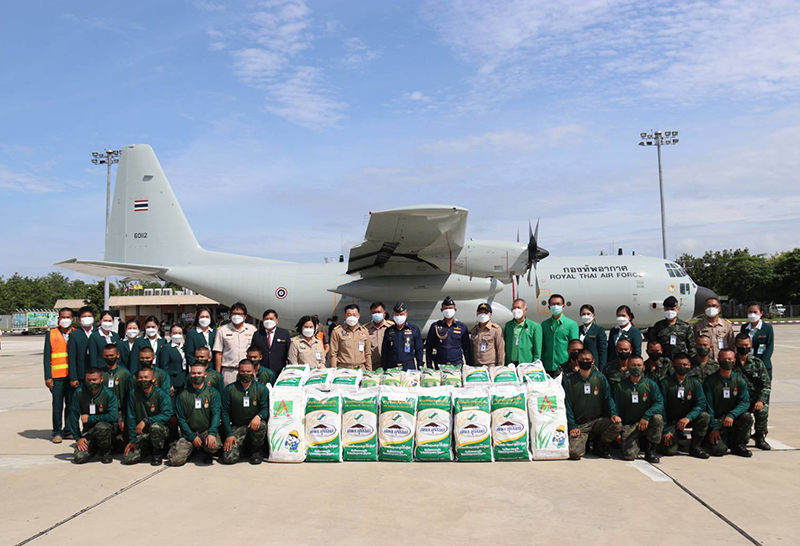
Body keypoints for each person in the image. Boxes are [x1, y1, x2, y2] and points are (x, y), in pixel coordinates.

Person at [564, 349, 622, 460]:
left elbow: (608, 398)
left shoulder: (600, 378)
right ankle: (585, 442)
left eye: (587, 360)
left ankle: (599, 443)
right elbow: (568, 405)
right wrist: (572, 426)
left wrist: (613, 414)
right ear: (577, 361)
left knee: (616, 425)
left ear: (593, 361)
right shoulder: (569, 381)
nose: (585, 361)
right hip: (580, 424)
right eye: (582, 360)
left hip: (597, 421)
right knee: (574, 453)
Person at [613, 356, 664, 463]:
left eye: (639, 365)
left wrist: (646, 416)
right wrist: (617, 431)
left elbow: (659, 403)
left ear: (644, 367)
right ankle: (638, 443)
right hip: (629, 425)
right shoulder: (620, 387)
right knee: (629, 456)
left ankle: (651, 450)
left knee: (658, 418)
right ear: (627, 367)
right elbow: (615, 408)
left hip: (646, 421)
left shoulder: (650, 384)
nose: (636, 368)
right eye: (633, 365)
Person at [168, 362, 222, 466]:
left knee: (214, 445)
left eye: (199, 373)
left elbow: (216, 414)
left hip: (206, 431)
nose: (196, 376)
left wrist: (212, 433)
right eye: (193, 373)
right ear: (189, 375)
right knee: (175, 460)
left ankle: (206, 452)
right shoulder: (183, 395)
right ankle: (190, 449)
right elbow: (181, 419)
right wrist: (191, 436)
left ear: (205, 375)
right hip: (189, 433)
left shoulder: (213, 393)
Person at [659, 352, 710, 459]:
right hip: (672, 421)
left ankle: (696, 446)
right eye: (678, 364)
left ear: (690, 365)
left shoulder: (695, 383)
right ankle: (674, 439)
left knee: (705, 416)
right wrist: (665, 430)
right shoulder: (665, 383)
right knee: (669, 451)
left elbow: (701, 404)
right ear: (673, 366)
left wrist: (688, 418)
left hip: (688, 418)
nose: (682, 367)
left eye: (685, 364)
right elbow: (660, 407)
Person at [704, 349, 753, 457]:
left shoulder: (739, 380)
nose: (727, 361)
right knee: (719, 451)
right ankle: (714, 441)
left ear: (734, 360)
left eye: (730, 359)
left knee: (746, 417)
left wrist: (732, 415)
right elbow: (709, 406)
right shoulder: (711, 381)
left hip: (731, 419)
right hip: (716, 420)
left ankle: (737, 445)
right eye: (724, 359)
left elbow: (745, 402)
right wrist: (714, 427)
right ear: (718, 360)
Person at [221, 359, 269, 465]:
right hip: (237, 426)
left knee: (261, 425)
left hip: (253, 425)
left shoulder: (261, 389)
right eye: (242, 371)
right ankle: (243, 448)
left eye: (248, 371)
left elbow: (265, 409)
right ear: (238, 372)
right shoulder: (229, 389)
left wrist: (259, 416)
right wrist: (229, 434)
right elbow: (224, 413)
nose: (245, 374)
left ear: (254, 372)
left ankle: (255, 451)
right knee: (229, 458)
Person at [122, 367, 173, 466]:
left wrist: (146, 421)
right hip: (142, 434)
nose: (143, 380)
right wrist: (132, 440)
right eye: (140, 378)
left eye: (146, 377)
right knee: (129, 459)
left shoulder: (161, 394)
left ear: (153, 379)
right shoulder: (133, 394)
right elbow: (131, 416)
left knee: (155, 427)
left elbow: (167, 415)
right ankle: (146, 449)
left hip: (160, 432)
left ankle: (157, 453)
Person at [68, 367, 118, 464]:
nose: (92, 383)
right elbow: (73, 415)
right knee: (79, 458)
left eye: (94, 380)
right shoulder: (79, 393)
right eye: (89, 380)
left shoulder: (109, 394)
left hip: (107, 430)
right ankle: (93, 448)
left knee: (101, 427)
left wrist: (90, 418)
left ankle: (106, 451)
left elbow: (113, 416)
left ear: (101, 379)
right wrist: (77, 438)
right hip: (90, 432)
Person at [733, 332, 771, 450]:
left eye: (746, 345)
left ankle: (760, 437)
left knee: (762, 410)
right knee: (743, 437)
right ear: (736, 345)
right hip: (738, 401)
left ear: (750, 345)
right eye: (741, 345)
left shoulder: (757, 363)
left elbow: (766, 385)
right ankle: (743, 436)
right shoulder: (731, 362)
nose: (744, 348)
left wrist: (761, 400)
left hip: (754, 399)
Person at [44, 307, 75, 443]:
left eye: (68, 317)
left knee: (71, 405)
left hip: (72, 376)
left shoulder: (76, 333)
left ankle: (68, 431)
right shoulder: (51, 334)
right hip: (57, 377)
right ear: (58, 319)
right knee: (57, 405)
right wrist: (48, 376)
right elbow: (46, 357)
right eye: (63, 317)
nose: (65, 320)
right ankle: (57, 432)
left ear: (73, 319)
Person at [213, 302, 257, 385]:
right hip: (229, 371)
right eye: (234, 313)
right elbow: (218, 353)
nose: (237, 316)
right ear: (230, 315)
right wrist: (218, 374)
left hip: (248, 370)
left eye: (240, 314)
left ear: (245, 316)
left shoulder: (252, 329)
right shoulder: (222, 330)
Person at [426, 296, 472, 368]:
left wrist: (469, 366)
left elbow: (466, 348)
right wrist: (429, 365)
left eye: (450, 308)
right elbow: (429, 347)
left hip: (457, 365)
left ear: (455, 309)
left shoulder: (461, 327)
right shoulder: (435, 326)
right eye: (446, 308)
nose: (448, 310)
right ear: (441, 310)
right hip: (440, 364)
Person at [101, 343, 130, 450]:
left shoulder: (124, 373)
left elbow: (128, 397)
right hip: (104, 411)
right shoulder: (100, 374)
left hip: (120, 411)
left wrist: (124, 418)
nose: (109, 358)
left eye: (112, 355)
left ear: (118, 355)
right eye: (107, 356)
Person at [540, 294, 579, 376]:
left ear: (563, 306)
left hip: (565, 367)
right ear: (549, 307)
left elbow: (575, 348)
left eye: (558, 304)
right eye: (553, 304)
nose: (556, 306)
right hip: (548, 366)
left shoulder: (571, 324)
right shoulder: (544, 324)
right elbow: (542, 346)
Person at [647, 296, 696, 360]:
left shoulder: (685, 326)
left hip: (680, 362)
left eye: (672, 309)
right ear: (664, 309)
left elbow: (692, 346)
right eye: (667, 309)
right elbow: (653, 345)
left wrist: (690, 361)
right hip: (664, 363)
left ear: (678, 309)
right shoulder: (658, 326)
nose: (670, 311)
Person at [381, 302, 424, 370]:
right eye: (397, 315)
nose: (399, 317)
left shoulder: (414, 330)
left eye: (401, 314)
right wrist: (384, 368)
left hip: (408, 367)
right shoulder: (389, 331)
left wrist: (420, 366)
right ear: (393, 315)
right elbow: (385, 351)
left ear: (406, 315)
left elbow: (419, 350)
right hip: (392, 367)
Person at [250, 309, 291, 378]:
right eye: (266, 319)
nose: (269, 321)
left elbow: (288, 352)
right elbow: (253, 351)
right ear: (263, 321)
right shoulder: (257, 334)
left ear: (277, 321)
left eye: (271, 319)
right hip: (262, 372)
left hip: (279, 371)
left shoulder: (284, 333)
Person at [330, 304, 373, 370]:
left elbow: (367, 353)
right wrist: (333, 370)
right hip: (344, 369)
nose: (352, 317)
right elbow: (333, 354)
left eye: (354, 315)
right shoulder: (337, 332)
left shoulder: (364, 332)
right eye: (349, 315)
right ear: (344, 316)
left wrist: (369, 370)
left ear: (358, 316)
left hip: (361, 369)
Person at [741, 302, 775, 379]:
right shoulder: (744, 328)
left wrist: (761, 364)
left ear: (761, 313)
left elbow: (770, 347)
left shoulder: (767, 328)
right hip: (747, 364)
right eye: (750, 312)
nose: (752, 314)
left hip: (763, 364)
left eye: (755, 312)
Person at [503, 298, 541, 365]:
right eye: (514, 308)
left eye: (519, 308)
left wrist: (535, 363)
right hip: (510, 363)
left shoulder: (534, 327)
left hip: (527, 363)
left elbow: (537, 350)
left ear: (525, 310)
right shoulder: (508, 325)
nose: (516, 310)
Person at [67, 306, 97, 387]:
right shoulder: (74, 335)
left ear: (94, 318)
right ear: (79, 319)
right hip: (81, 375)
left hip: (97, 374)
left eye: (89, 316)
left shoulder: (98, 332)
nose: (87, 318)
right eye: (84, 316)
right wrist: (73, 377)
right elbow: (72, 358)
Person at [470, 303, 505, 367]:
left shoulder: (495, 329)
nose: (483, 315)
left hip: (491, 365)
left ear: (490, 314)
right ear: (477, 313)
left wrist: (500, 366)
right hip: (476, 366)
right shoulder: (474, 330)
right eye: (480, 312)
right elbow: (472, 350)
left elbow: (500, 350)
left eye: (486, 313)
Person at [160, 325, 188, 395]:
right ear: (170, 334)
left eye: (179, 333)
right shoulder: (166, 348)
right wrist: (168, 384)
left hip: (184, 382)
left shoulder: (184, 347)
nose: (177, 335)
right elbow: (164, 367)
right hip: (173, 382)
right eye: (175, 333)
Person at [578, 304, 607, 371]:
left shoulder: (599, 329)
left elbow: (602, 350)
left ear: (593, 315)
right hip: (580, 364)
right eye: (583, 314)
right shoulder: (578, 329)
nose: (586, 316)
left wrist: (602, 368)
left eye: (588, 314)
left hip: (593, 365)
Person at [366, 302, 392, 367]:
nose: (376, 314)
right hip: (372, 365)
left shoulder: (391, 328)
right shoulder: (366, 329)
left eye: (379, 312)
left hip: (389, 365)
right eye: (374, 312)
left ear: (384, 314)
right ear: (370, 314)